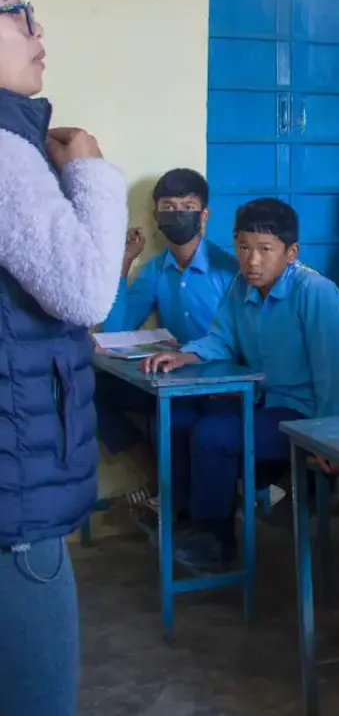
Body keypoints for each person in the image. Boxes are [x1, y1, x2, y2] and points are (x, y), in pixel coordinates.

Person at [0, 0, 127, 716]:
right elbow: (86, 292)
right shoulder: (5, 152)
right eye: (15, 10)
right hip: (13, 504)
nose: (36, 29)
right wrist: (89, 170)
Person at [141, 198, 339, 571]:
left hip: (301, 414)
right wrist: (187, 355)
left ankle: (216, 541)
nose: (252, 260)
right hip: (257, 402)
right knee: (176, 418)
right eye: (243, 247)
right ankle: (187, 521)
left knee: (213, 435)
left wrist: (328, 438)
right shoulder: (241, 285)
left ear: (291, 252)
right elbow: (222, 339)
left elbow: (331, 371)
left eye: (265, 250)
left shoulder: (315, 291)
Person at [97, 168, 239, 520]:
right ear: (156, 215)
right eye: (168, 207)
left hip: (220, 381)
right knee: (93, 390)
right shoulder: (156, 270)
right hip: (171, 378)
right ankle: (161, 483)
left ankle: (181, 504)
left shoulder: (229, 270)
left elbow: (239, 338)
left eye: (187, 207)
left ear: (204, 214)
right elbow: (116, 330)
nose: (178, 215)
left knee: (174, 418)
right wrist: (124, 263)